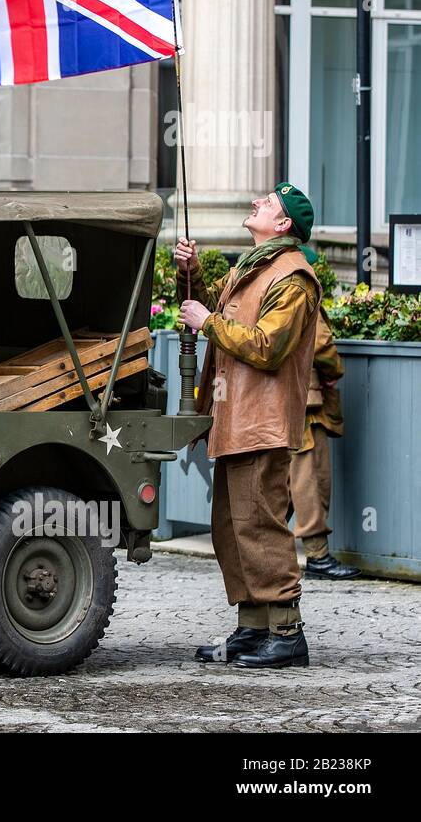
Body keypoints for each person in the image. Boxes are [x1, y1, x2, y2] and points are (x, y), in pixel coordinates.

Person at [175, 183, 321, 669]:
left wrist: (207, 322)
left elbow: (266, 346)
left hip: (262, 420)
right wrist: (189, 274)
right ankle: (253, 627)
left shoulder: (294, 277)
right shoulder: (254, 266)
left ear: (283, 225)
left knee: (260, 525)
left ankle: (286, 633)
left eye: (269, 203)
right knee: (231, 528)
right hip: (234, 417)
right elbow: (216, 313)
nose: (257, 202)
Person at [291, 307, 360, 579]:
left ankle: (265, 551)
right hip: (304, 398)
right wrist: (334, 370)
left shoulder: (257, 278)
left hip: (278, 397)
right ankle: (317, 555)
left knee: (286, 480)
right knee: (311, 477)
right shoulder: (299, 281)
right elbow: (320, 343)